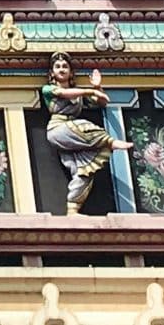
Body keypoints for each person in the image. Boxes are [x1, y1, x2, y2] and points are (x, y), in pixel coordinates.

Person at [42, 53, 128, 214]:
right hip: (58, 129)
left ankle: (73, 208)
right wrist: (90, 92)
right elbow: (63, 94)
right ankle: (110, 141)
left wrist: (97, 87)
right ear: (52, 73)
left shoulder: (79, 95)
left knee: (83, 171)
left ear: (71, 72)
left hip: (73, 138)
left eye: (65, 66)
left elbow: (102, 102)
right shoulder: (49, 89)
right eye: (58, 67)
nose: (62, 69)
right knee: (84, 125)